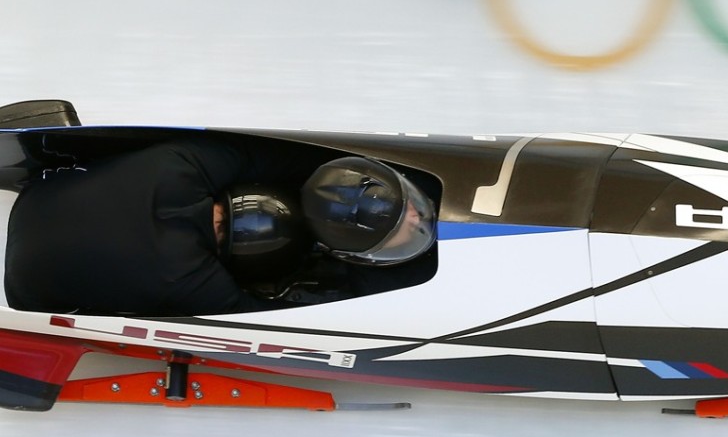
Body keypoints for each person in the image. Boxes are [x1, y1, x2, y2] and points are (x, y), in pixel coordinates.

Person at [4, 135, 438, 316]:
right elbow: (279, 316)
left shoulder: (184, 169)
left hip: (39, 195)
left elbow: (277, 158)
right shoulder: (189, 279)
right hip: (26, 286)